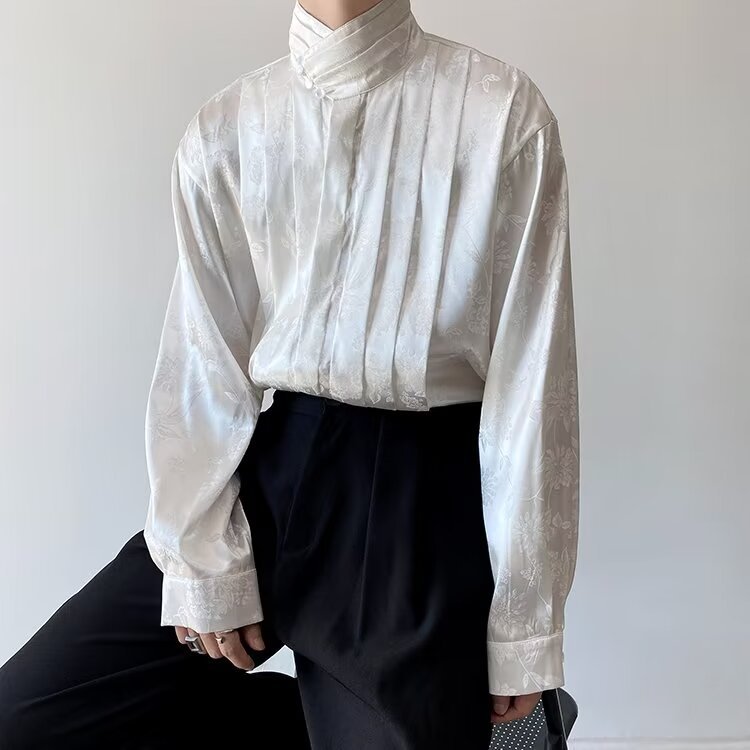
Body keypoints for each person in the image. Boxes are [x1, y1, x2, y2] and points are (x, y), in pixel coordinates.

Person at [0, 0, 580, 747]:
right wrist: (202, 554)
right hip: (270, 475)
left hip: (417, 505)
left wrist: (525, 624)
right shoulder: (229, 127)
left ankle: (433, 714)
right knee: (26, 723)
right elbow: (204, 359)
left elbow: (532, 388)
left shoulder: (500, 111)